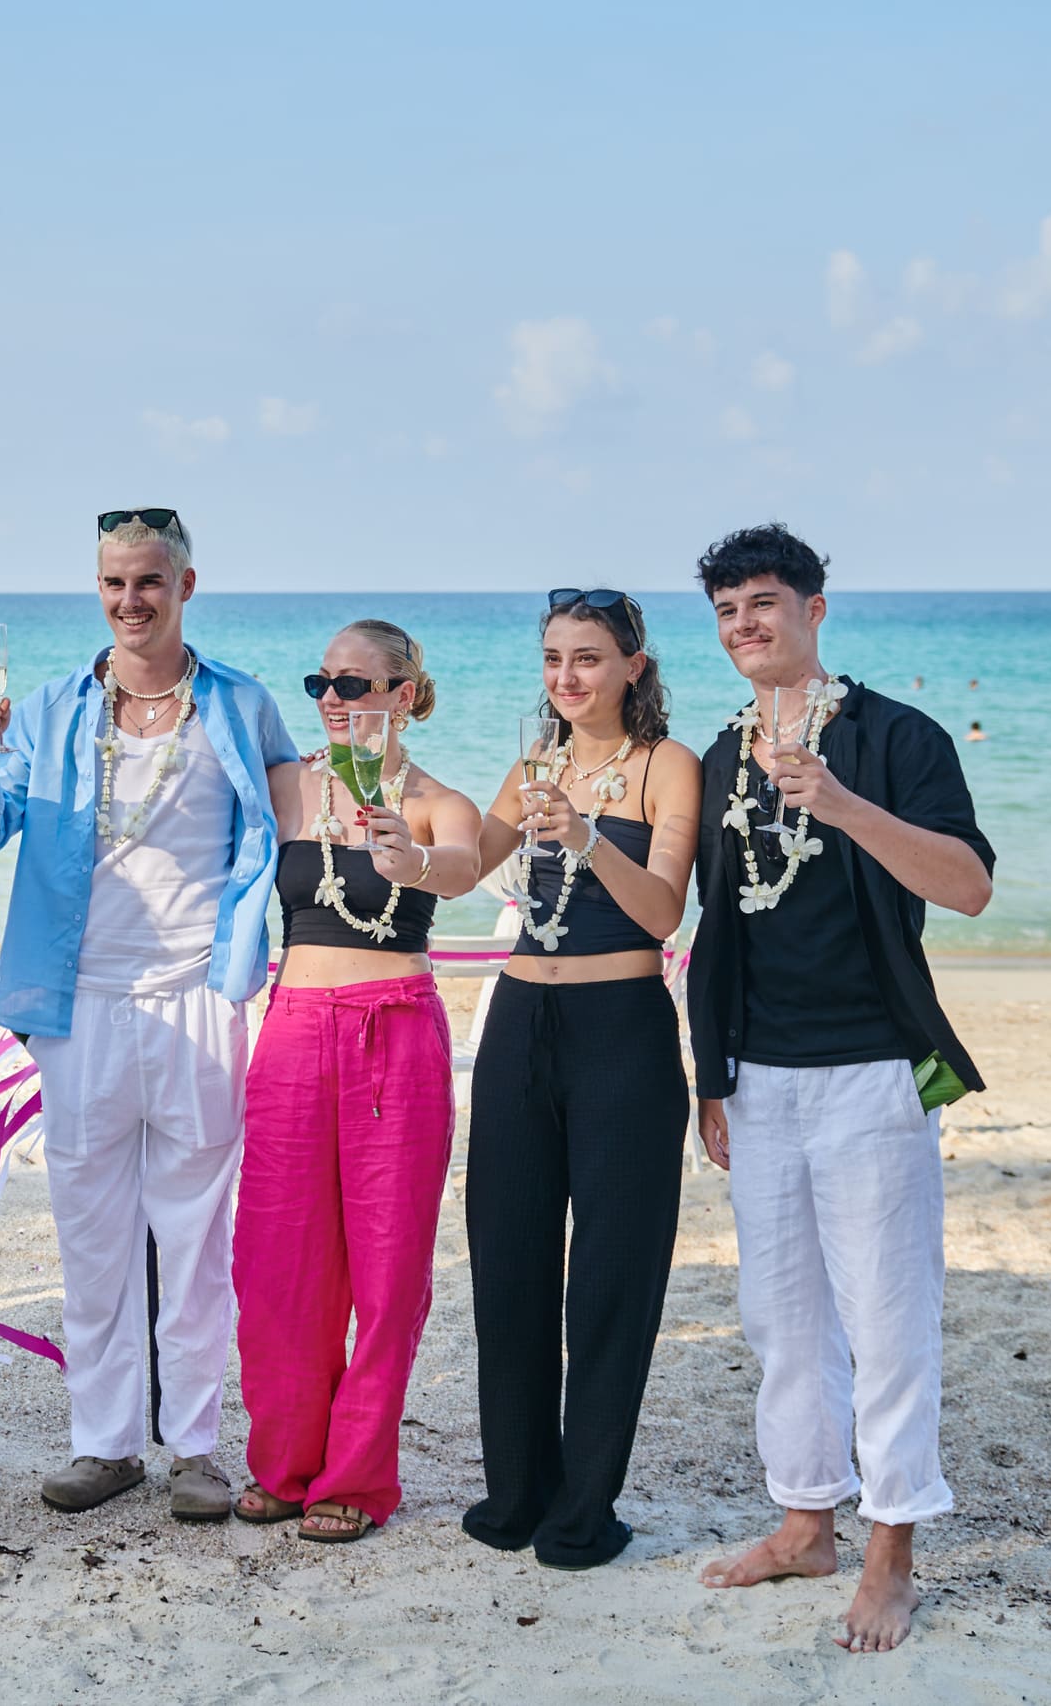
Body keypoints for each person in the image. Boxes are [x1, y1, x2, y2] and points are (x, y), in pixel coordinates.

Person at [0, 508, 298, 1521]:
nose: (130, 601)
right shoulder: (52, 708)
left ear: (186, 586)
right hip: (78, 1000)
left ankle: (192, 1447)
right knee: (91, 1234)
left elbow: (303, 826)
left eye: (148, 581)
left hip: (198, 995)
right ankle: (102, 1444)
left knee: (195, 1233)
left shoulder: (239, 704)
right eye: (112, 584)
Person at [685, 525, 994, 1654]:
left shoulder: (892, 735)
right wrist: (705, 1070)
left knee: (886, 1316)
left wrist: (843, 804)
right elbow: (715, 926)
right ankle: (803, 1522)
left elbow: (966, 887)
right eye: (726, 613)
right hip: (756, 1077)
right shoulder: (719, 752)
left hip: (870, 1068)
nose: (744, 627)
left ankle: (891, 1551)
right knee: (781, 1317)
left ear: (816, 609)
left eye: (763, 603)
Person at [460, 593, 702, 1568]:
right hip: (519, 1024)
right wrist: (404, 844)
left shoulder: (665, 766)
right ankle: (516, 1495)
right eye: (554, 658)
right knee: (507, 1264)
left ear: (633, 668)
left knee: (610, 1275)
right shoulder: (534, 767)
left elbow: (662, 914)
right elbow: (461, 866)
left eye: (588, 659)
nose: (566, 678)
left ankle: (581, 1512)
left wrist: (586, 839)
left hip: (622, 1032)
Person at [229, 621, 482, 1540]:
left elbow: (462, 863)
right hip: (293, 1032)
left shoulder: (434, 801)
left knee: (387, 1265)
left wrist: (413, 861)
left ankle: (358, 1475)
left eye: (357, 684)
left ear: (405, 693)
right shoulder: (289, 785)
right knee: (277, 1262)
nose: (335, 700)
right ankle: (287, 1463)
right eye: (322, 683)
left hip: (396, 1034)